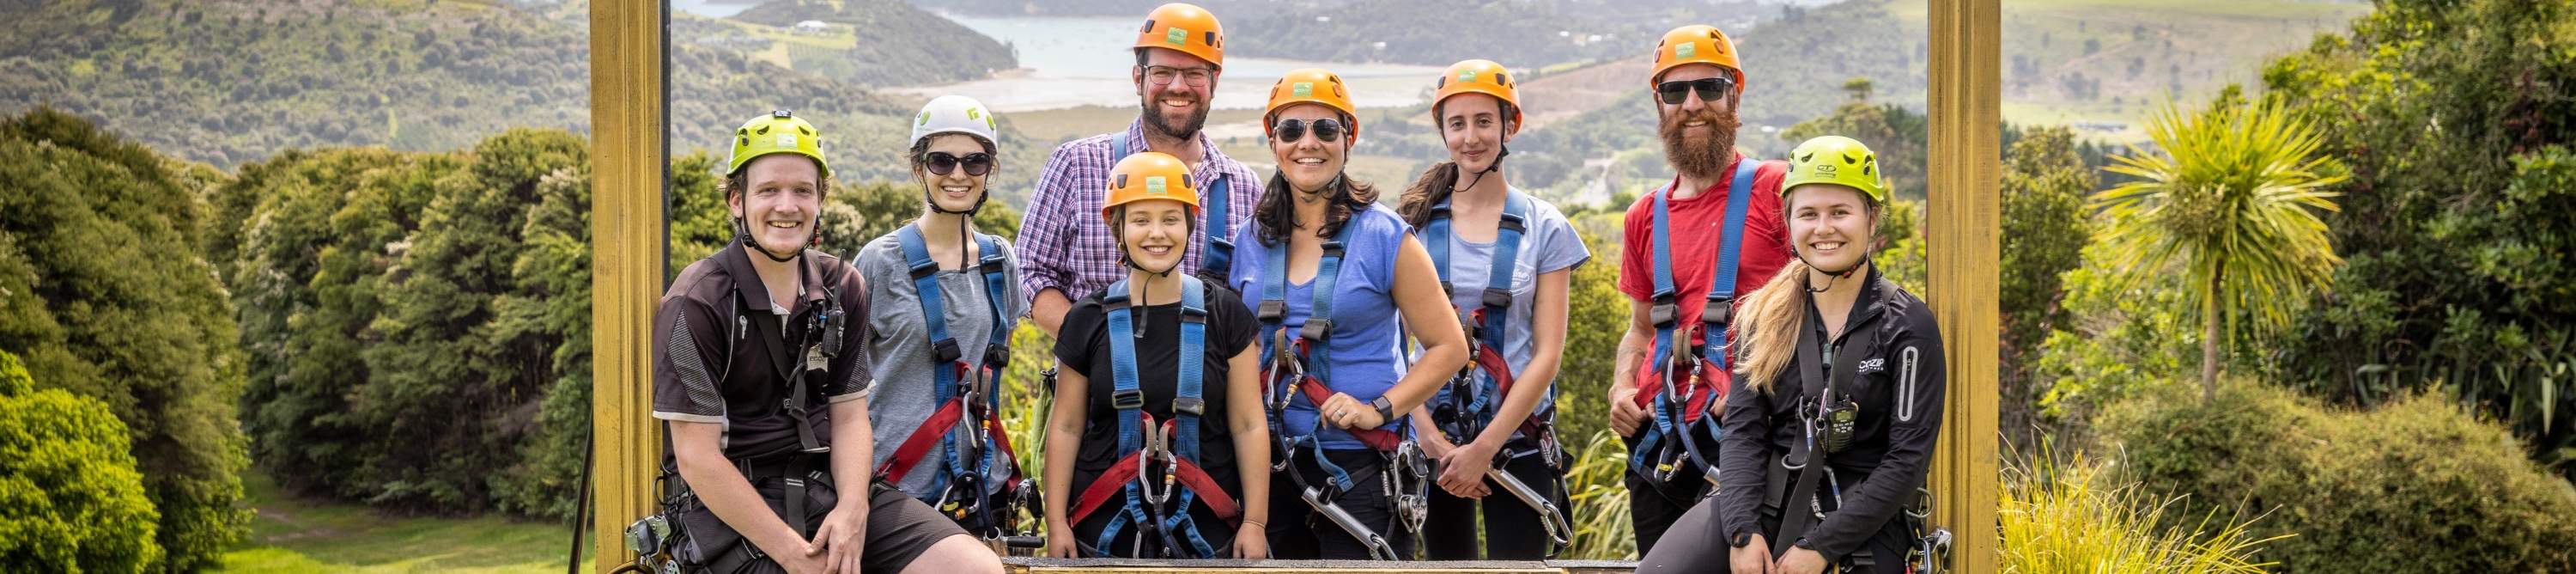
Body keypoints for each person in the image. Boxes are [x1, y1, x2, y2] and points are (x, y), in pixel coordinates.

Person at [652, 110, 1002, 574]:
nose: (787, 206)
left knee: (973, 567)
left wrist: (853, 511)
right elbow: (697, 459)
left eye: (803, 191)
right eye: (768, 190)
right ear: (737, 201)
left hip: (827, 487)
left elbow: (850, 416)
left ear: (820, 200)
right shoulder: (699, 302)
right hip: (733, 504)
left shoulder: (841, 287)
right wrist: (793, 555)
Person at [1637, 136, 1948, 574]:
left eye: (1840, 212)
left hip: (1862, 515)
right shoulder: (1764, 315)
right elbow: (1744, 431)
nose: (1824, 228)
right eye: (1808, 214)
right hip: (1766, 497)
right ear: (1789, 222)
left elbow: (1907, 461)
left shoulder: (1908, 327)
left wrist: (1820, 548)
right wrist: (1743, 532)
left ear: (1871, 218)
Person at [1229, 68, 1467, 560]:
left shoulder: (1384, 236)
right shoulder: (1251, 240)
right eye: (1291, 130)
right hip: (1270, 465)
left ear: (1348, 138)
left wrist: (1377, 409)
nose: (1307, 143)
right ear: (1273, 142)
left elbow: (1449, 348)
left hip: (1362, 465)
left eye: (1325, 129)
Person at [1394, 58, 1590, 560]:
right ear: (1443, 132)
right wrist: (1429, 438)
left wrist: (1483, 449)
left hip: (1517, 439)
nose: (1470, 137)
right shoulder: (1412, 227)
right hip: (1432, 441)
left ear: (1510, 125)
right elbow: (1395, 346)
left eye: (1484, 121)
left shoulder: (1546, 227)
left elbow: (1547, 353)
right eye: (1457, 124)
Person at [1611, 24, 1795, 556]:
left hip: (1753, 436)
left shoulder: (1777, 189)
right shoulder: (1644, 216)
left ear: (1735, 94)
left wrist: (1754, 386)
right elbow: (1640, 330)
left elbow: (1820, 309)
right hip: (1660, 442)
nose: (1692, 104)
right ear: (1660, 103)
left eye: (1709, 87)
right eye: (1676, 91)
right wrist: (1621, 389)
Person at [1042, 152, 1273, 559]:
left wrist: (1254, 522)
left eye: (1170, 219)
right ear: (1119, 229)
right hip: (1104, 523)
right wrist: (1056, 522)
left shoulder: (1226, 314)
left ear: (1189, 225)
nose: (1157, 233)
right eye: (1140, 220)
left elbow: (1248, 424)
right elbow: (1066, 426)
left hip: (1207, 521)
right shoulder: (1087, 318)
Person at [850, 95, 1038, 541]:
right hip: (897, 487)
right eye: (941, 161)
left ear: (989, 170)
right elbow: (844, 385)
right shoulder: (880, 262)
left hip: (982, 487)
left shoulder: (1000, 261)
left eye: (974, 162)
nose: (958, 174)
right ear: (919, 168)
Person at [1020, 2, 1264, 337]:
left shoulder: (1242, 186)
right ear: (1139, 78)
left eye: (1194, 73)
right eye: (1162, 72)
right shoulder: (1078, 164)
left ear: (1214, 81)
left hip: (1204, 369)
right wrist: (1094, 349)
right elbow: (1031, 273)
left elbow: (1252, 299)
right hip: (1092, 369)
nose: (1178, 86)